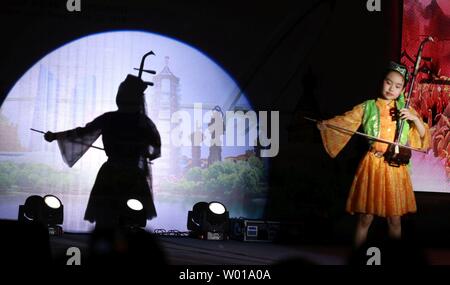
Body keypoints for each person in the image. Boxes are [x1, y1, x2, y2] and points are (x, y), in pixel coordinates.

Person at [317, 62, 430, 248]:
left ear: (403, 89)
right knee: (365, 218)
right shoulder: (368, 106)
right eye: (388, 82)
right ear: (382, 82)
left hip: (395, 168)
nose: (391, 88)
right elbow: (345, 121)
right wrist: (327, 125)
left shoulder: (406, 110)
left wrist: (415, 119)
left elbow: (423, 137)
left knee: (395, 220)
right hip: (373, 165)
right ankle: (357, 258)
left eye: (397, 86)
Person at [44, 74, 161, 229]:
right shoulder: (144, 123)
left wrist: (55, 136)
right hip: (133, 177)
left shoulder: (110, 118)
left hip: (111, 175)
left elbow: (82, 132)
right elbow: (154, 150)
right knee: (131, 220)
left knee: (109, 217)